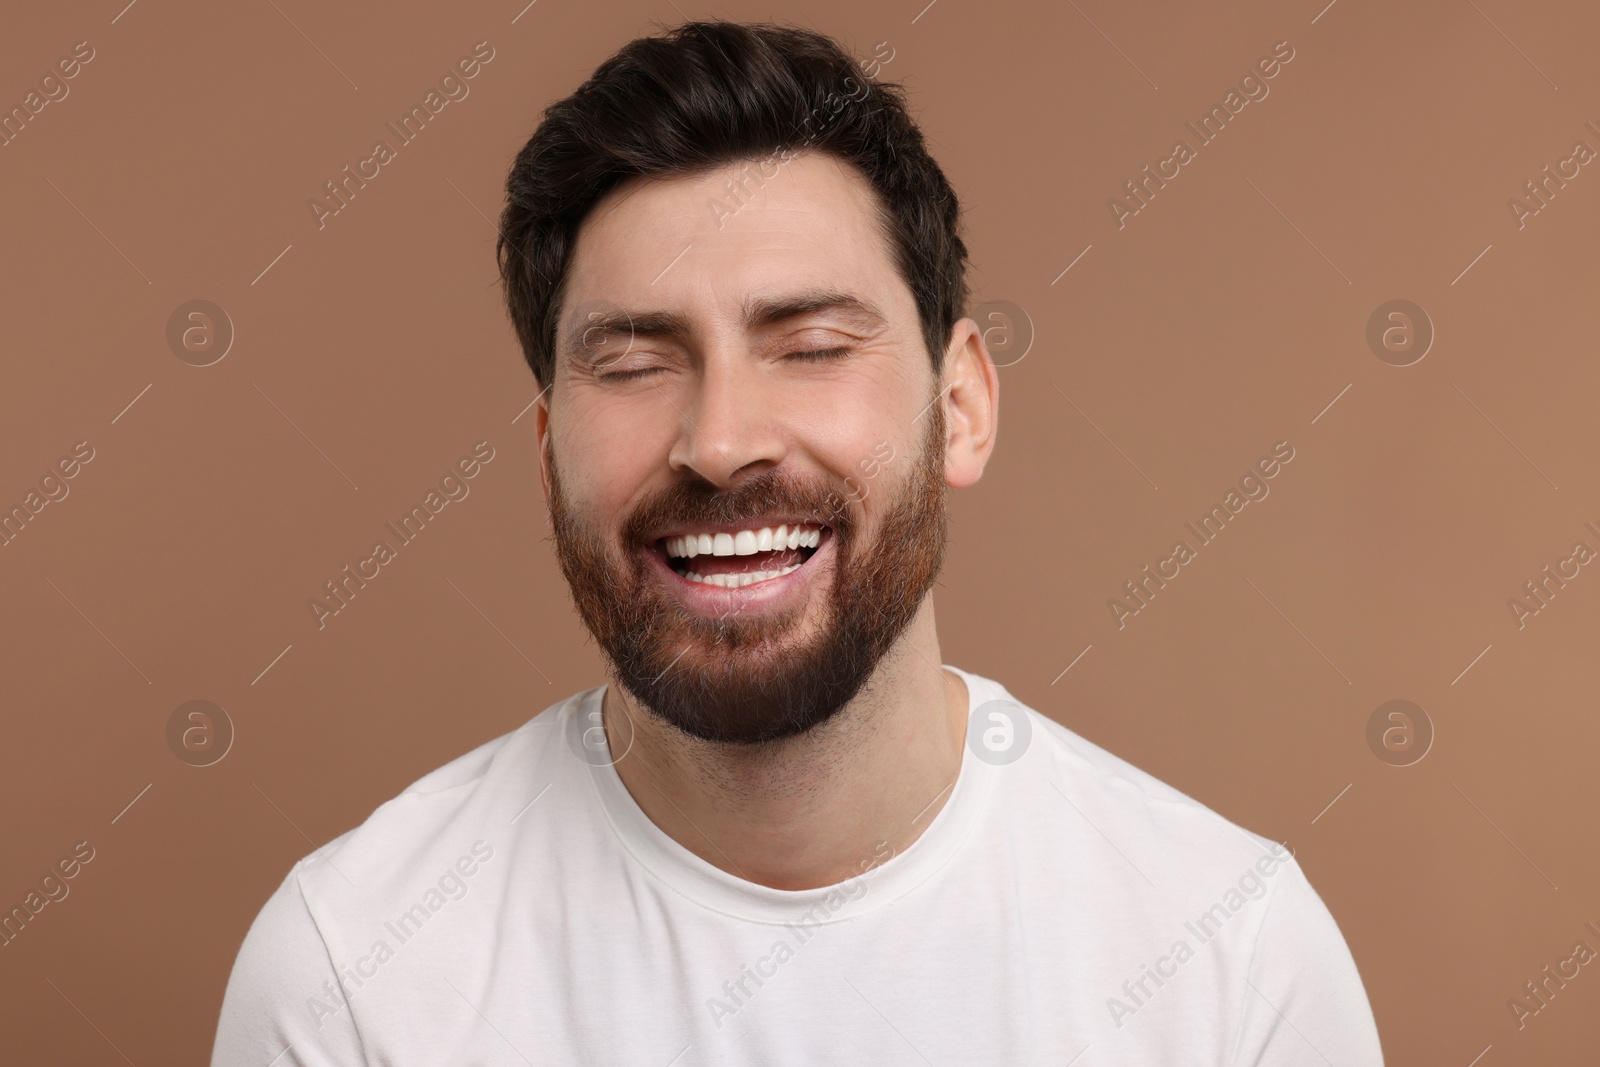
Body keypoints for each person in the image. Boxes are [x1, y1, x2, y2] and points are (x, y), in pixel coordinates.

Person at [212, 20, 1383, 1065]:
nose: (719, 441)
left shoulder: (1231, 960)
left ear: (961, 406)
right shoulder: (350, 976)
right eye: (631, 363)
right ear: (546, 449)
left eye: (813, 344)